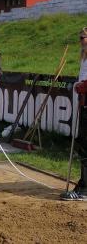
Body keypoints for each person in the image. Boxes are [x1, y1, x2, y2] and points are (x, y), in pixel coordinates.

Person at [61, 27, 87, 201]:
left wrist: (82, 87)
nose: (81, 41)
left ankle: (84, 190)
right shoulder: (84, 58)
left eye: (84, 37)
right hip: (84, 104)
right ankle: (84, 185)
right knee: (83, 145)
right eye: (80, 38)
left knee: (85, 147)